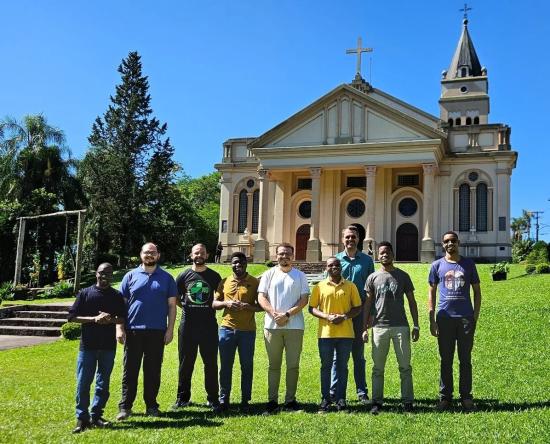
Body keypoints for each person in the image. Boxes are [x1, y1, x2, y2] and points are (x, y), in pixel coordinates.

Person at [117, 243, 177, 420]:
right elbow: (121, 305)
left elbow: (172, 306)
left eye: (153, 253)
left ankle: (151, 406)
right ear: (141, 254)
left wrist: (170, 330)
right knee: (130, 370)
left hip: (157, 332)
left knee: (152, 371)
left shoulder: (167, 278)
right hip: (133, 331)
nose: (149, 255)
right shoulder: (130, 276)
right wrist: (119, 328)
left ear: (158, 255)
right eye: (146, 252)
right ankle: (125, 407)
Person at [362, 241, 419, 414]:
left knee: (405, 367)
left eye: (387, 252)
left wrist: (416, 325)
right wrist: (365, 328)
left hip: (401, 327)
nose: (384, 254)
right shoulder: (372, 277)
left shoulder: (403, 276)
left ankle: (408, 401)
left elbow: (412, 302)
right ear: (378, 256)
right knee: (378, 368)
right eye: (381, 252)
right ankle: (377, 402)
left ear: (393, 255)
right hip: (379, 327)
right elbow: (367, 304)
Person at [69, 263, 126, 433]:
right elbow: (71, 317)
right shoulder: (85, 293)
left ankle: (96, 415)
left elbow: (122, 318)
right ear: (96, 274)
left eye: (109, 273)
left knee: (103, 383)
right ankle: (81, 418)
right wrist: (94, 319)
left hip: (108, 347)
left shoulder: (116, 296)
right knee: (83, 383)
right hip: (88, 347)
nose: (105, 276)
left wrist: (110, 319)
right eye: (102, 273)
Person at [428, 231, 481, 412]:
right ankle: (445, 397)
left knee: (465, 359)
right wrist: (431, 318)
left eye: (453, 241)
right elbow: (431, 293)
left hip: (465, 319)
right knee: (446, 360)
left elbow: (477, 292)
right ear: (443, 245)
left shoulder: (468, 264)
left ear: (458, 243)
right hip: (444, 319)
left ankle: (466, 397)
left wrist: (475, 316)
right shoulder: (436, 265)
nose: (450, 244)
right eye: (446, 241)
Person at [258, 242, 309, 414]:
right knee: (274, 365)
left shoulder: (300, 276)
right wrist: (274, 313)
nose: (284, 256)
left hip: (295, 327)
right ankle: (272, 401)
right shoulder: (268, 274)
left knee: (293, 365)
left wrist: (286, 315)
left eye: (287, 254)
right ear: (276, 255)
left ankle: (290, 401)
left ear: (292, 256)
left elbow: (304, 300)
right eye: (281, 254)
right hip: (272, 327)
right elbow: (261, 297)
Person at [172, 243, 222, 413]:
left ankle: (213, 399)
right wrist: (185, 306)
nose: (199, 255)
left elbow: (219, 297)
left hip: (208, 326)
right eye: (196, 253)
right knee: (186, 363)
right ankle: (182, 398)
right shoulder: (183, 275)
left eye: (202, 253)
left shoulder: (215, 276)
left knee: (211, 363)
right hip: (188, 326)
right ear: (191, 255)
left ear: (207, 255)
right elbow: (175, 298)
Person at [309, 257, 362, 413]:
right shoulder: (319, 286)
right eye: (330, 265)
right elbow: (312, 308)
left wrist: (344, 317)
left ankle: (341, 399)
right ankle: (325, 400)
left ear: (341, 267)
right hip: (326, 334)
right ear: (326, 268)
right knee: (325, 367)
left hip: (346, 334)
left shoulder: (350, 286)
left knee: (342, 367)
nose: (334, 267)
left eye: (337, 265)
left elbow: (357, 307)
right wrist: (327, 316)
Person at [213, 251, 260, 411]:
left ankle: (245, 401)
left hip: (247, 331)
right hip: (226, 329)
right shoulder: (224, 281)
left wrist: (249, 307)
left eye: (240, 262)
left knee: (246, 366)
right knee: (225, 366)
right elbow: (214, 304)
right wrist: (226, 303)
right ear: (230, 264)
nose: (237, 265)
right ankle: (223, 400)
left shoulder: (254, 282)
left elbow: (261, 306)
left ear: (246, 264)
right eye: (234, 262)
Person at [333, 226, 374, 404]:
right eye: (347, 237)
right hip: (339, 314)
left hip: (359, 314)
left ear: (358, 239)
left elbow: (372, 290)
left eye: (354, 237)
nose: (350, 240)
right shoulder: (336, 260)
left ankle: (361, 392)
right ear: (343, 240)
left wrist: (370, 315)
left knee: (358, 355)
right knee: (337, 356)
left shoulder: (366, 261)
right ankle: (335, 392)